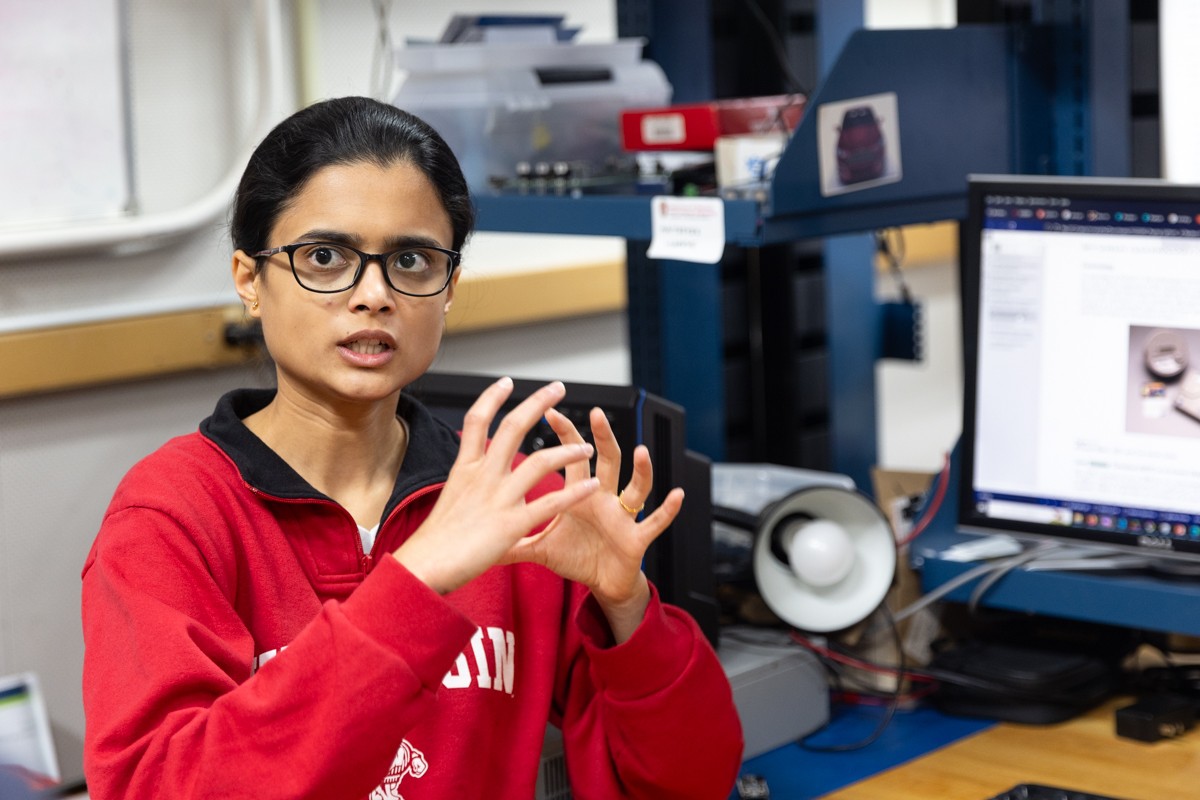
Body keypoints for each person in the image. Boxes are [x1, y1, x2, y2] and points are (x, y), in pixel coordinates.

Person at [81, 96, 743, 799]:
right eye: (325, 257)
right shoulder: (174, 515)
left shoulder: (514, 506)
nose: (373, 294)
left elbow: (691, 781)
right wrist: (417, 582)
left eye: (412, 260)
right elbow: (158, 786)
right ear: (250, 279)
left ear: (449, 285)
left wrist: (629, 608)